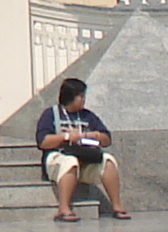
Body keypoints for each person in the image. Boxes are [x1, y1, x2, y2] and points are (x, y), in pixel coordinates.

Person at [33, 78, 129, 221]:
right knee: (70, 162)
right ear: (70, 97)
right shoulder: (51, 114)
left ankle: (116, 206)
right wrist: (66, 137)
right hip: (58, 157)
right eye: (81, 96)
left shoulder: (87, 116)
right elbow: (43, 141)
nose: (83, 100)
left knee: (108, 161)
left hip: (85, 157)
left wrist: (94, 135)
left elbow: (107, 139)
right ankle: (64, 208)